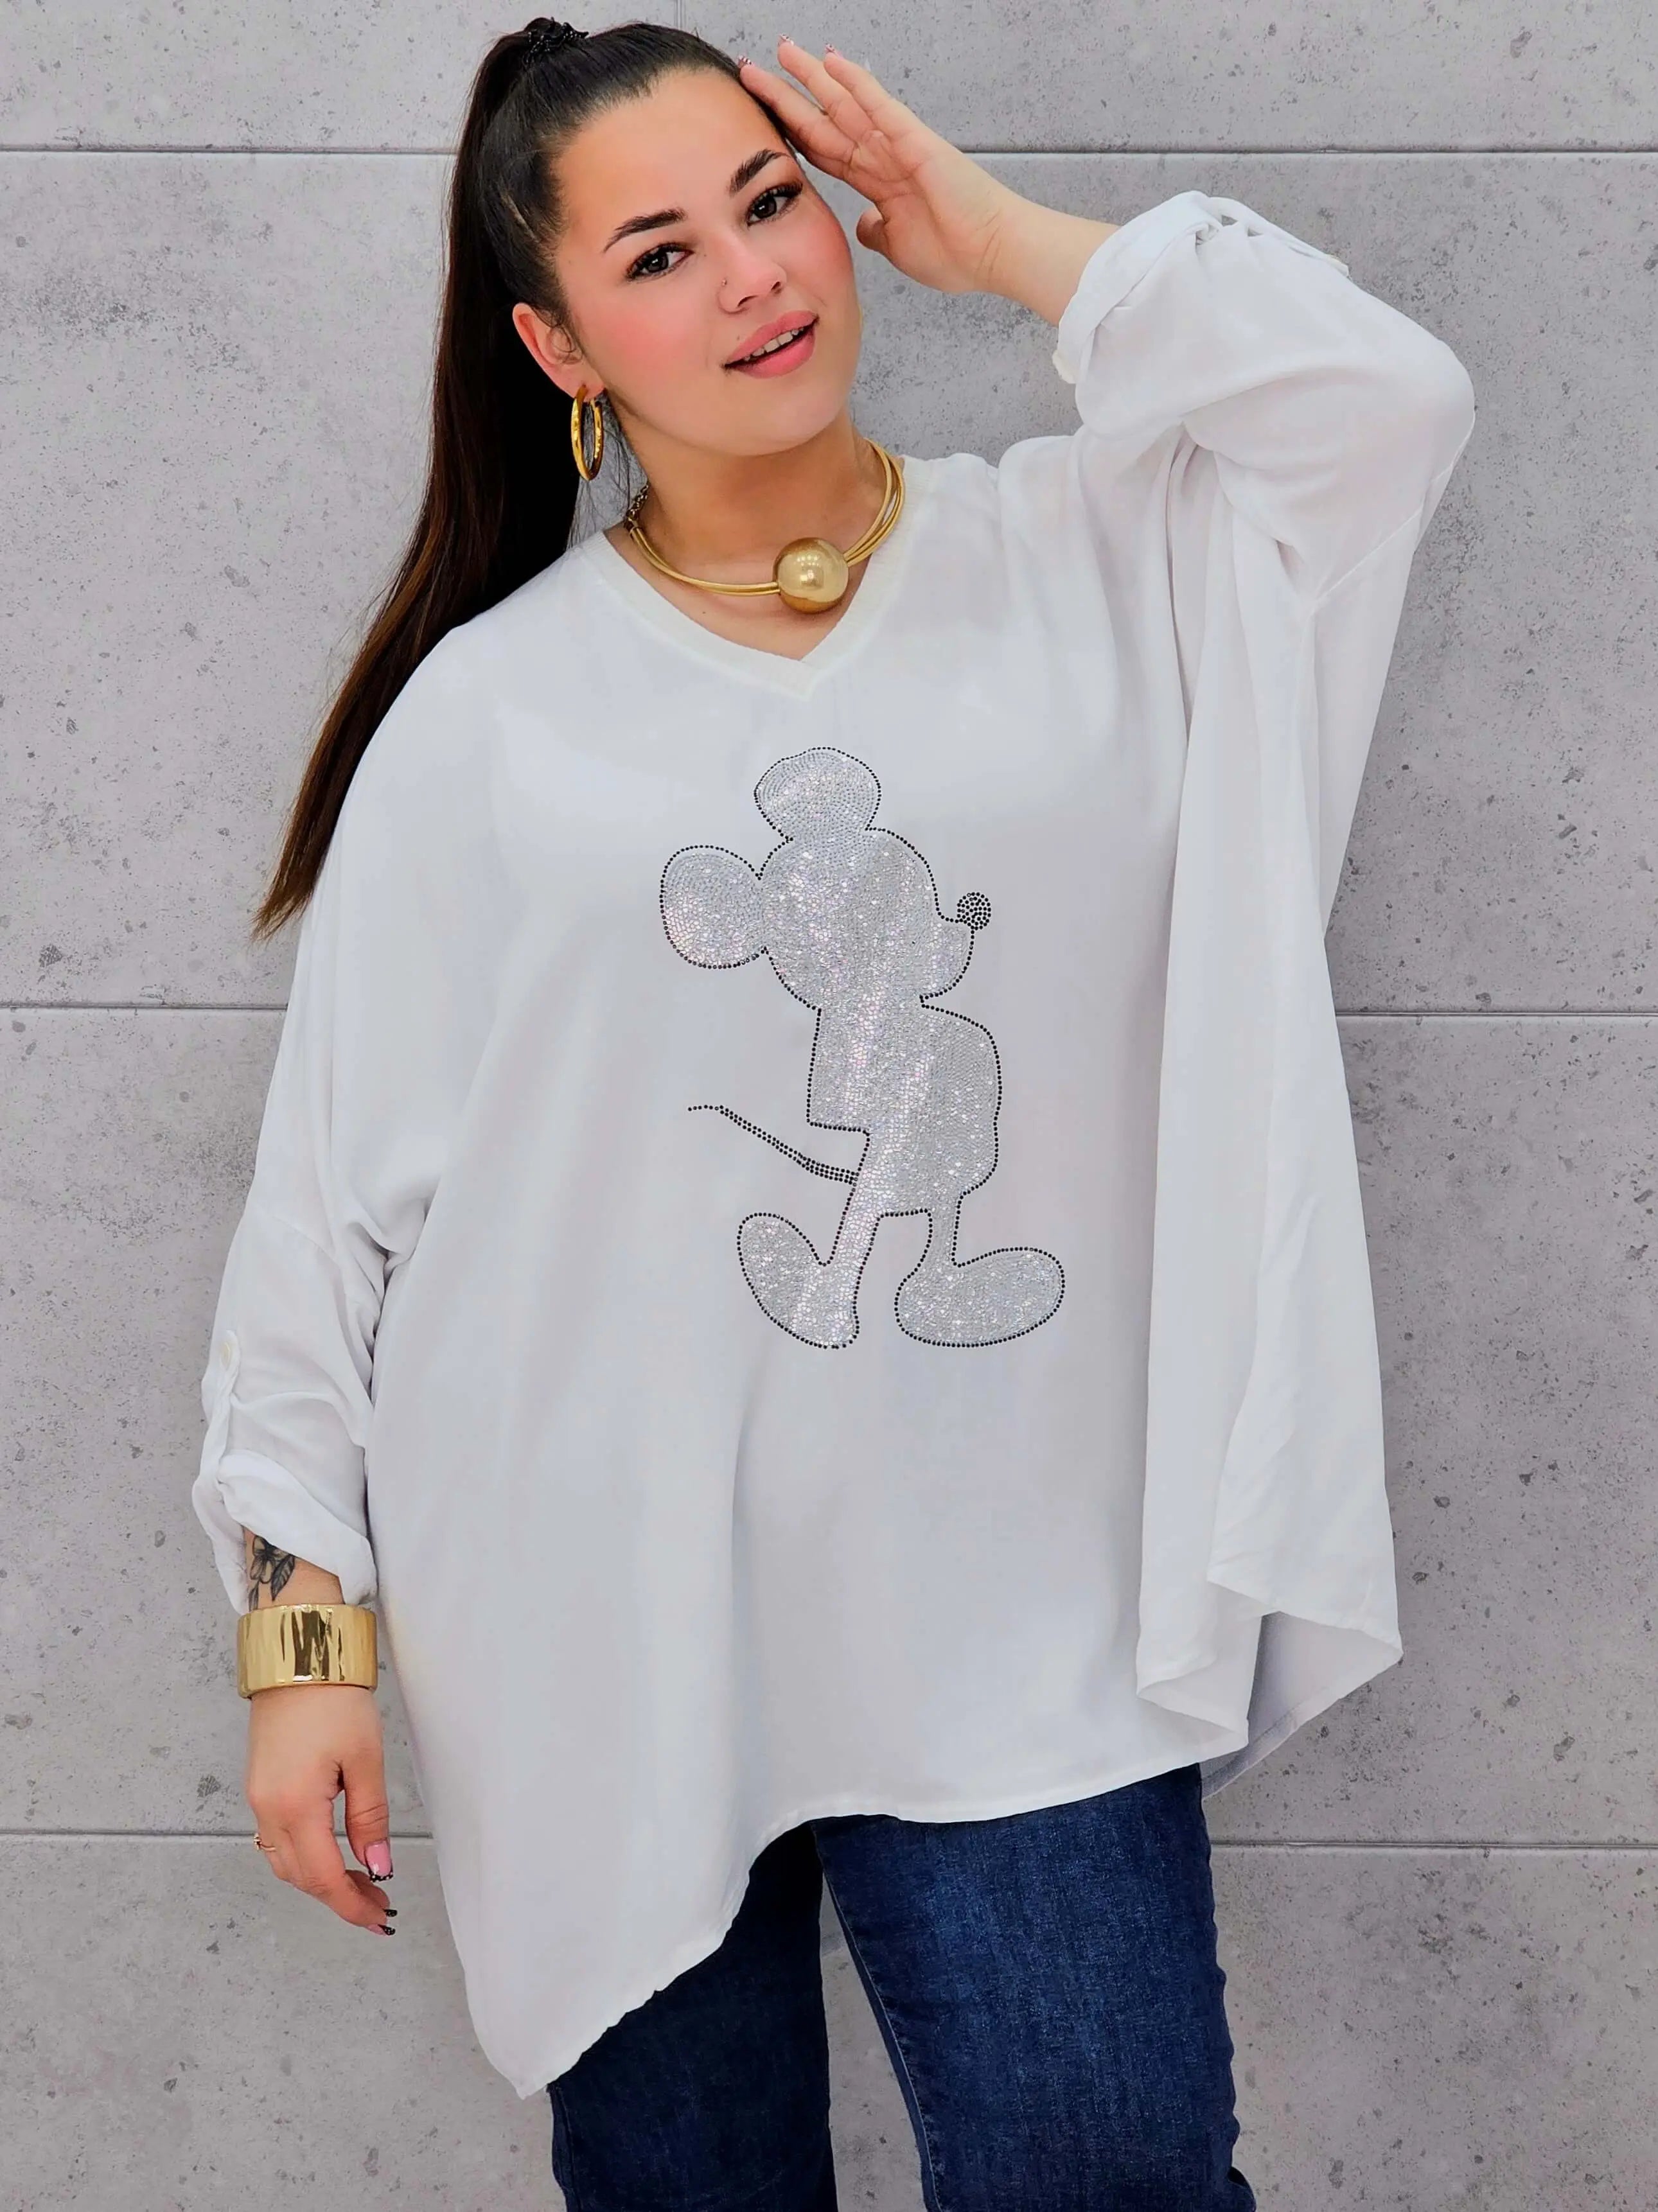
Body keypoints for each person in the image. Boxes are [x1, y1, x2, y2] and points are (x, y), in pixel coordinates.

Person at [192, 16, 1476, 2208]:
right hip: (606, 1625)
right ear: (556, 343)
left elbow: (1388, 401)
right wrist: (304, 1647)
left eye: (772, 202)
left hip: (1027, 1600)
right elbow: (330, 1219)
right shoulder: (490, 720)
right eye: (660, 253)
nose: (754, 276)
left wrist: (1000, 237)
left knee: (1111, 2166)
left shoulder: (1104, 554)